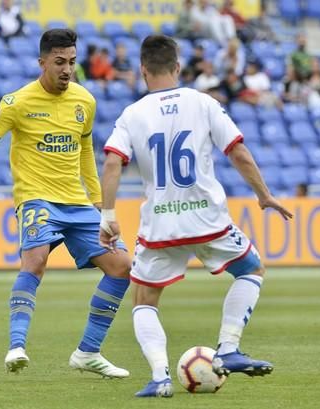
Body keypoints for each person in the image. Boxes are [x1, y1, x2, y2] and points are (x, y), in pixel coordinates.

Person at [99, 35, 293, 398]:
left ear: (142, 69)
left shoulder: (132, 113)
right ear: (177, 66)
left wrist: (108, 215)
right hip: (207, 218)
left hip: (160, 225)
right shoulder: (203, 103)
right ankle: (229, 347)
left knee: (143, 301)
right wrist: (263, 195)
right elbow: (239, 152)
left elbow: (112, 163)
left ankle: (160, 378)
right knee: (250, 270)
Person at [0, 29, 132, 378]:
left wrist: (101, 205)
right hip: (36, 200)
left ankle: (88, 352)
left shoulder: (85, 101)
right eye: (59, 62)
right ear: (42, 63)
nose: (67, 69)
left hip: (77, 203)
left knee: (122, 267)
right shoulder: (17, 103)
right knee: (36, 261)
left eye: (72, 61)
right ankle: (16, 346)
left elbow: (86, 153)